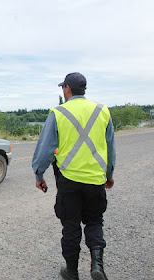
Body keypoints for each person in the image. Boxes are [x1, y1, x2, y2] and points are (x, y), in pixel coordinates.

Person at [32, 72, 116, 280]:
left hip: (68, 180)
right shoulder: (102, 111)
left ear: (67, 89)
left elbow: (45, 149)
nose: (63, 90)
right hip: (96, 179)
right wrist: (109, 174)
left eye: (63, 87)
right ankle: (97, 267)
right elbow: (110, 147)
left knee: (70, 225)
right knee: (95, 221)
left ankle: (71, 272)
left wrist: (39, 174)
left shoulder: (58, 113)